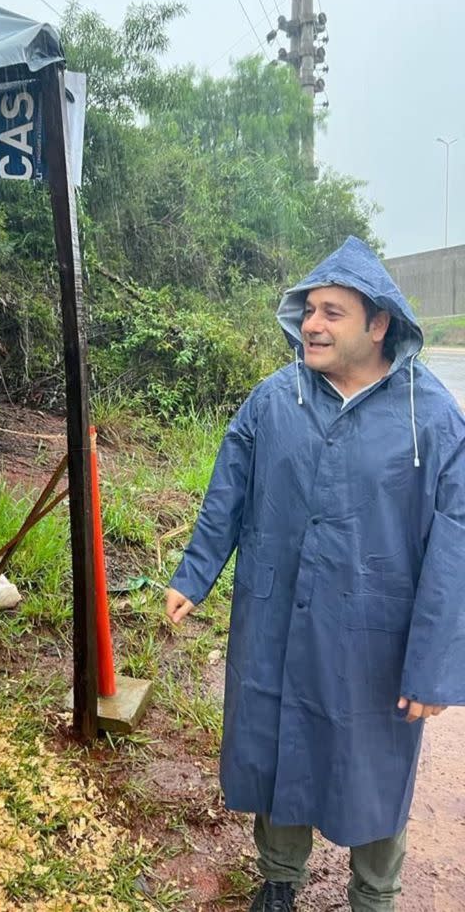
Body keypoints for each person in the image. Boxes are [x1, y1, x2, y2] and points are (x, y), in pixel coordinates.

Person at [165, 236, 465, 912]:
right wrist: (194, 574)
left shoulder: (433, 419)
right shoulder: (276, 400)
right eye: (309, 310)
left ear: (378, 323)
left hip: (374, 639)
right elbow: (228, 491)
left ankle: (374, 897)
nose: (313, 324)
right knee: (277, 746)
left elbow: (455, 544)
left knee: (375, 767)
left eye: (333, 312)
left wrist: (435, 667)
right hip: (277, 619)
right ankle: (279, 879)